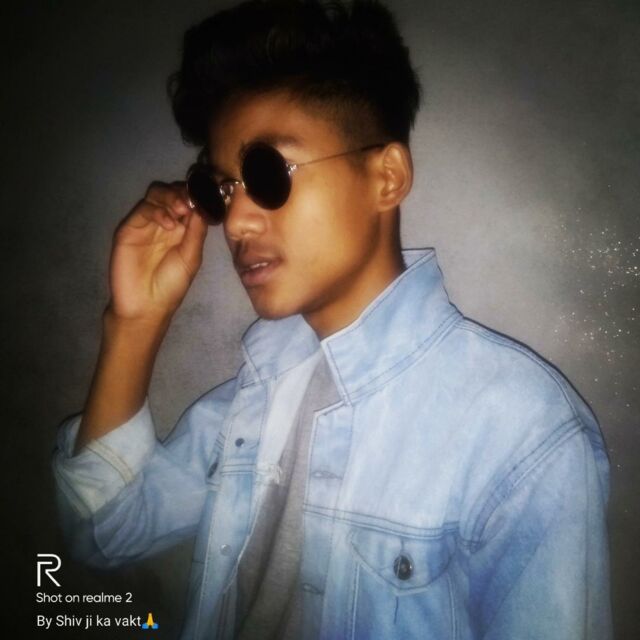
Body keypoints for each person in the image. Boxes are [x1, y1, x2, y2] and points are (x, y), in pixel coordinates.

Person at [52, 1, 612, 638]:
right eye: (221, 190)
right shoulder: (258, 395)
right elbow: (105, 533)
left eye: (269, 174)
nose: (236, 223)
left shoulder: (519, 431)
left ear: (386, 177)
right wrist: (135, 322)